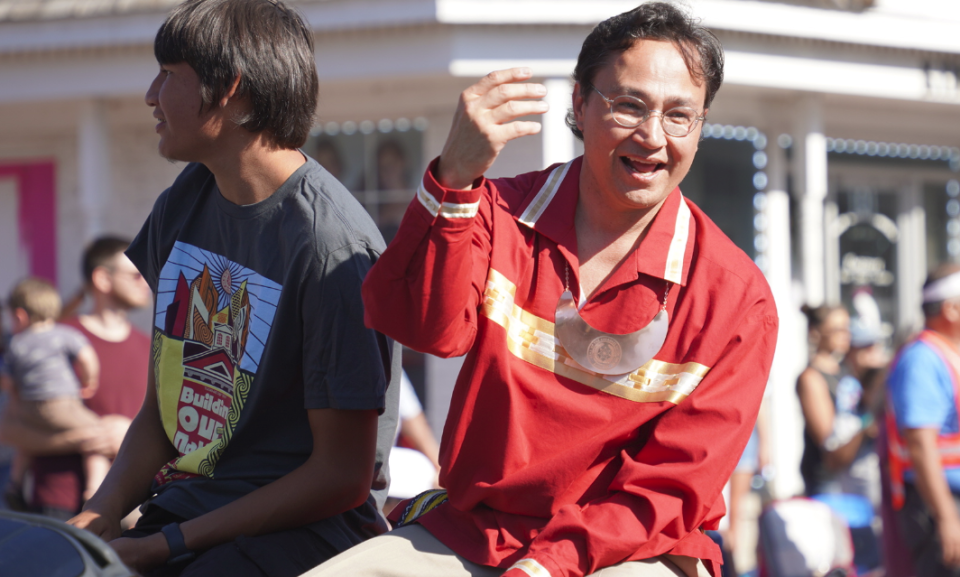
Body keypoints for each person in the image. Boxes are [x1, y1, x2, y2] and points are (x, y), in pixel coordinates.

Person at [306, 3, 778, 577]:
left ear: (701, 127)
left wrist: (548, 565)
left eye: (680, 115)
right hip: (476, 533)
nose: (653, 136)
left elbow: (671, 488)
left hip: (634, 553)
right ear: (579, 103)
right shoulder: (494, 210)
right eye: (628, 105)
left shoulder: (736, 296)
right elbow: (422, 327)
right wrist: (453, 181)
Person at [66, 1, 400, 576]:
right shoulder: (185, 199)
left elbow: (342, 478)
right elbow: (162, 409)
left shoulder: (331, 247)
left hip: (300, 534)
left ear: (233, 91)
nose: (151, 93)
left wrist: (164, 545)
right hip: (185, 514)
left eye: (169, 74)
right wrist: (95, 516)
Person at [0, 237, 152, 521]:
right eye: (135, 274)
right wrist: (87, 437)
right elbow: (8, 429)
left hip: (129, 512)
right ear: (102, 278)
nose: (146, 281)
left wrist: (126, 436)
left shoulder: (152, 347)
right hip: (58, 508)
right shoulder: (53, 341)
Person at [0, 278, 110, 507]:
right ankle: (95, 489)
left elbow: (7, 381)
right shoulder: (63, 333)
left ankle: (15, 483)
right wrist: (90, 379)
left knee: (27, 442)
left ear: (19, 316)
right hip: (60, 404)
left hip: (28, 406)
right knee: (99, 434)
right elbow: (86, 356)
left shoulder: (16, 343)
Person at [886, 263, 960, 576]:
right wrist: (947, 519)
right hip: (939, 505)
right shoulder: (922, 359)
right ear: (952, 309)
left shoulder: (946, 353)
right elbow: (920, 446)